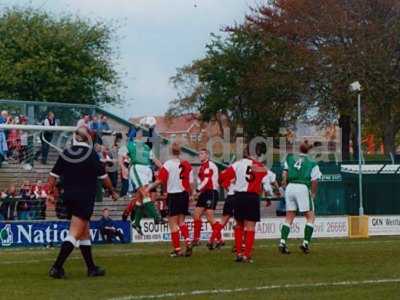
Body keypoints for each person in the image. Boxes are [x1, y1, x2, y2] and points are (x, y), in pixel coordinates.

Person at [47, 126, 118, 279]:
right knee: (74, 233)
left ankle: (91, 268)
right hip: (84, 198)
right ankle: (56, 267)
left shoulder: (66, 153)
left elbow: (53, 175)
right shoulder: (91, 154)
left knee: (84, 233)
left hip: (69, 197)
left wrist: (50, 191)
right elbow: (104, 177)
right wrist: (112, 191)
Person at [219, 145, 272, 263]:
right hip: (252, 197)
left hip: (238, 196)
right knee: (250, 227)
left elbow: (223, 176)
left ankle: (238, 253)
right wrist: (268, 196)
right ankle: (246, 255)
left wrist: (231, 184)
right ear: (254, 153)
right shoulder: (259, 167)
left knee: (239, 225)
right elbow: (266, 183)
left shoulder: (237, 164)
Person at [146, 142, 194, 257]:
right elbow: (191, 182)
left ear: (171, 152)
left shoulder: (168, 164)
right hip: (184, 195)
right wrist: (192, 194)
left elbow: (159, 180)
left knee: (173, 224)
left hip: (173, 195)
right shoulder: (187, 164)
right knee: (182, 222)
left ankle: (177, 249)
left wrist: (148, 187)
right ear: (180, 151)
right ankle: (188, 241)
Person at [278, 141, 322, 255]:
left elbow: (284, 174)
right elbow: (314, 181)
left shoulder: (290, 158)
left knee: (289, 217)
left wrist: (284, 185)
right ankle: (305, 243)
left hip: (290, 187)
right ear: (309, 151)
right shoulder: (313, 163)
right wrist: (313, 193)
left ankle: (282, 242)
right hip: (302, 187)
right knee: (310, 217)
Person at [121, 129, 163, 235]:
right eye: (138, 133)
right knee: (145, 194)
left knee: (140, 199)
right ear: (134, 135)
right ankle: (157, 218)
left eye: (141, 133)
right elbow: (123, 156)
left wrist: (164, 168)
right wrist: (124, 167)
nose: (140, 134)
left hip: (147, 171)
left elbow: (155, 160)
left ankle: (136, 223)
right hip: (137, 169)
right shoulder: (130, 144)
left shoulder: (146, 147)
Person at [192, 149, 222, 250]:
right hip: (205, 193)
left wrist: (197, 190)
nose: (200, 155)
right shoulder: (202, 166)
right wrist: (199, 191)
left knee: (210, 218)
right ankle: (196, 239)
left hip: (211, 192)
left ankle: (218, 239)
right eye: (199, 153)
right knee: (196, 214)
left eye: (202, 153)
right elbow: (203, 181)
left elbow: (206, 180)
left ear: (207, 155)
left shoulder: (210, 165)